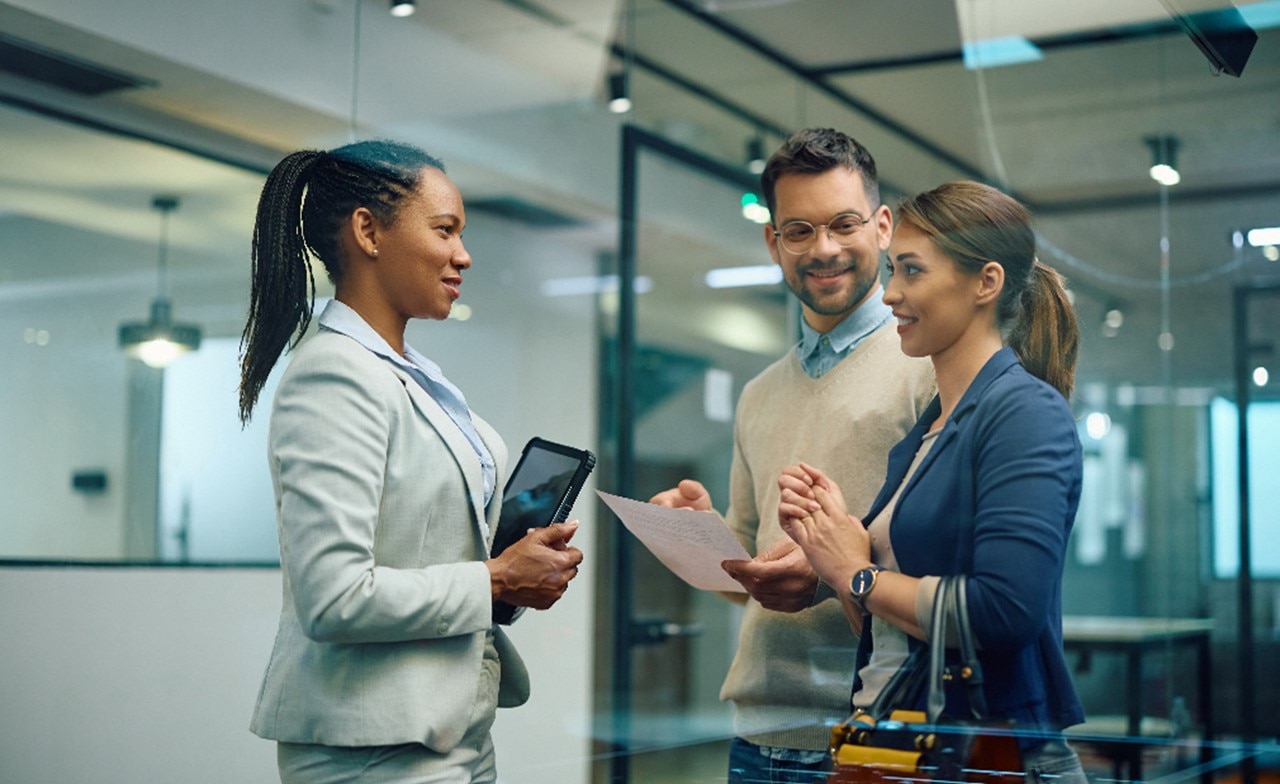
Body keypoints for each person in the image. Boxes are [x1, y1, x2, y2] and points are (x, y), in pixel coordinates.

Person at [237, 139, 584, 783]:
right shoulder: (334, 377)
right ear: (368, 231)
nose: (464, 255)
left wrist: (510, 570)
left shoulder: (408, 373)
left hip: (451, 732)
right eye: (445, 230)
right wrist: (499, 579)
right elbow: (334, 598)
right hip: (373, 750)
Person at [649, 128, 935, 783]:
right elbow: (745, 580)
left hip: (877, 723)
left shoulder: (925, 367)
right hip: (756, 734)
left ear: (883, 226)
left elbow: (948, 566)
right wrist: (697, 538)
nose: (824, 249)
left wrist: (832, 569)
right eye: (799, 230)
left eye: (844, 224)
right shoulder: (758, 395)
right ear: (772, 242)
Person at [779, 180, 1087, 783]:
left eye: (912, 271)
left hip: (982, 755)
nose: (891, 293)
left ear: (986, 283)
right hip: (892, 745)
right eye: (895, 270)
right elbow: (895, 630)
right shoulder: (924, 436)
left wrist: (857, 572)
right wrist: (835, 546)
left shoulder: (1026, 412)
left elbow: (1005, 613)